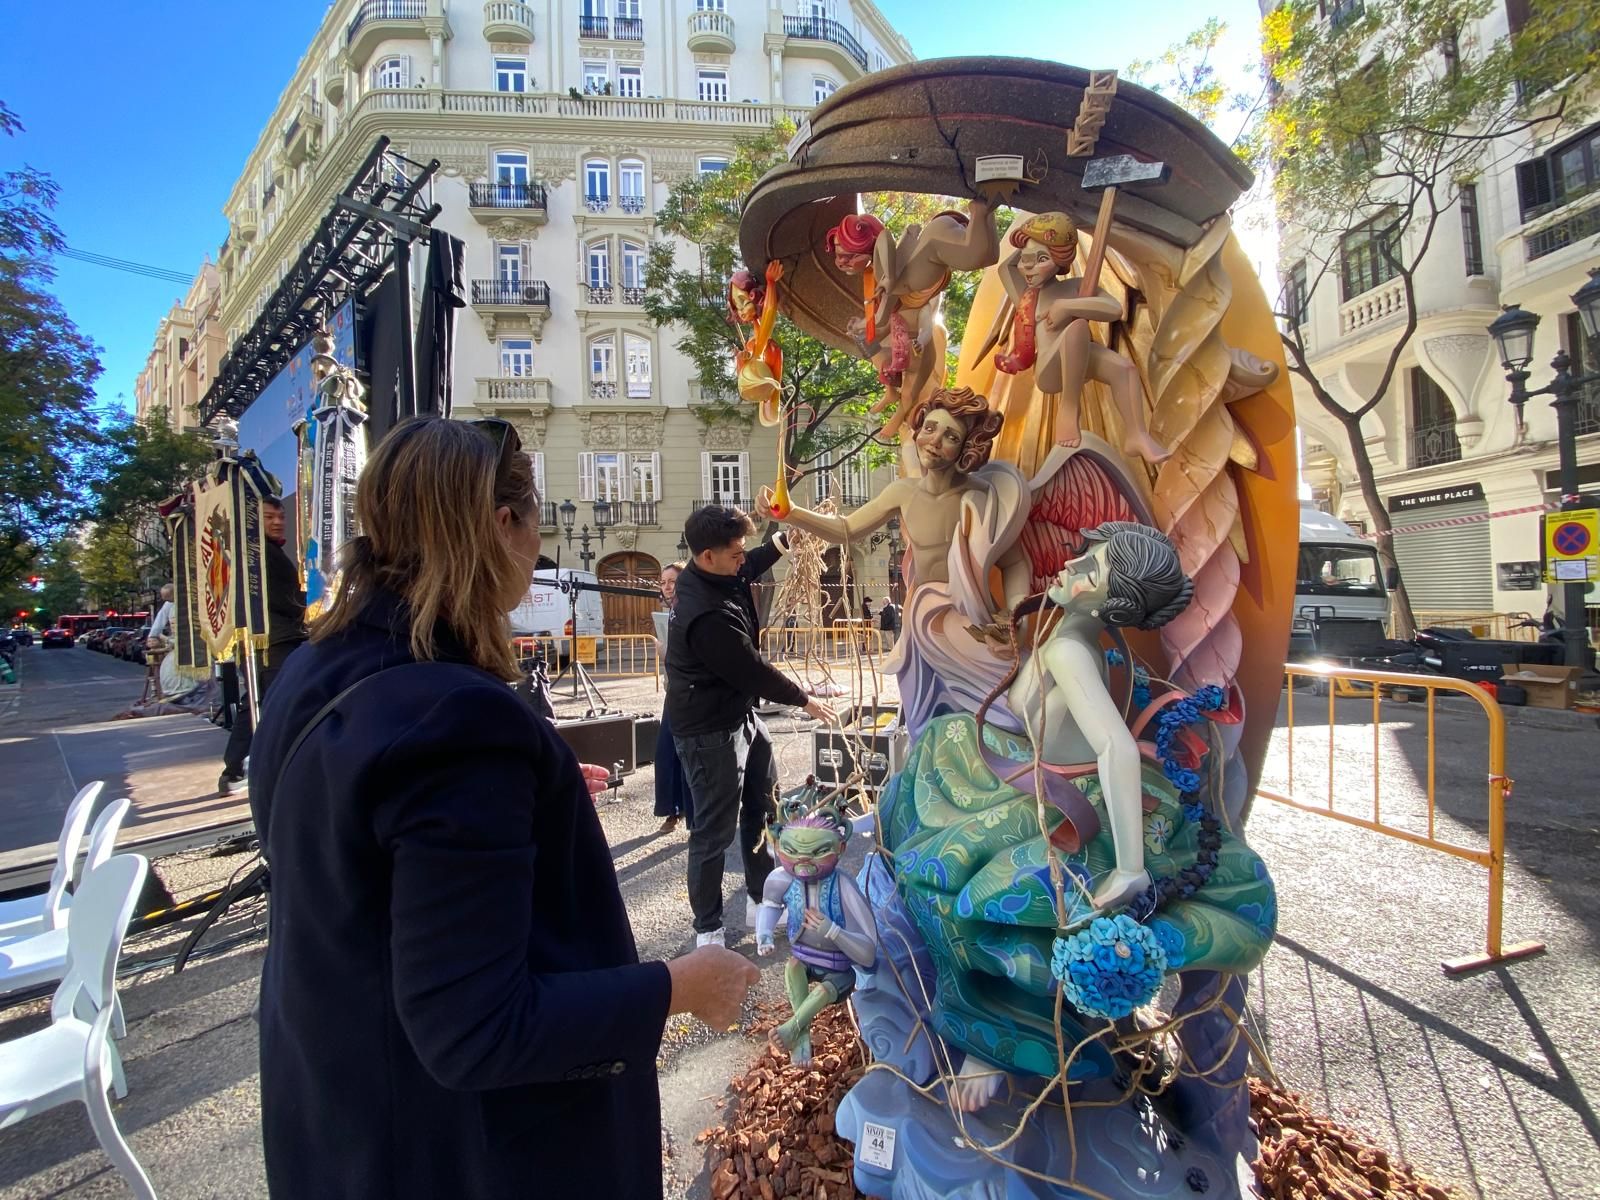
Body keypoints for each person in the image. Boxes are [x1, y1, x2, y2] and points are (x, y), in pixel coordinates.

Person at [247, 417, 758, 1200]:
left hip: (337, 1123)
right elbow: (477, 1027)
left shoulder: (313, 669)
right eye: (539, 518)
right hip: (455, 1155)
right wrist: (680, 986)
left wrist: (528, 794)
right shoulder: (458, 725)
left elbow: (364, 862)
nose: (541, 544)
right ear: (500, 526)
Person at [667, 505, 834, 948]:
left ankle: (761, 898)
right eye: (735, 553)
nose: (743, 559)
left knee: (762, 803)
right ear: (706, 556)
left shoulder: (719, 572)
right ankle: (708, 930)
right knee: (714, 829)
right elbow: (752, 670)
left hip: (740, 714)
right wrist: (805, 700)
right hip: (707, 728)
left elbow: (752, 564)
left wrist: (786, 540)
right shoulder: (707, 614)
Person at [219, 495, 307, 794]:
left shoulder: (256, 554)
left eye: (280, 516)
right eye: (269, 517)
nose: (278, 522)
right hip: (276, 640)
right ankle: (247, 767)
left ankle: (238, 766)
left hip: (265, 640)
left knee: (258, 702)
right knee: (275, 702)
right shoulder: (260, 555)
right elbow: (291, 600)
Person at [652, 563, 693, 834]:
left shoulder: (691, 611)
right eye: (663, 582)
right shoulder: (668, 614)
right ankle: (671, 811)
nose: (667, 586)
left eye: (672, 581)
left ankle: (693, 818)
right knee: (666, 752)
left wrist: (665, 652)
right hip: (674, 694)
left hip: (693, 695)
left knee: (689, 757)